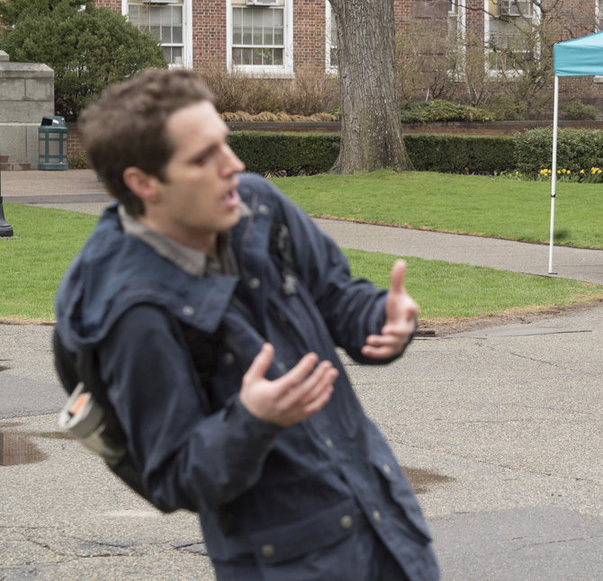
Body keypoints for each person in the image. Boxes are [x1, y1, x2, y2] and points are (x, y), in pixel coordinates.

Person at [53, 69, 440, 580]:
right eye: (202, 158)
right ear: (143, 183)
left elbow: (336, 295)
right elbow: (173, 475)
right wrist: (252, 421)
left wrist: (383, 318)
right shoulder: (133, 313)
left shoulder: (257, 204)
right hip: (289, 563)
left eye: (225, 144)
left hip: (386, 529)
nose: (233, 166)